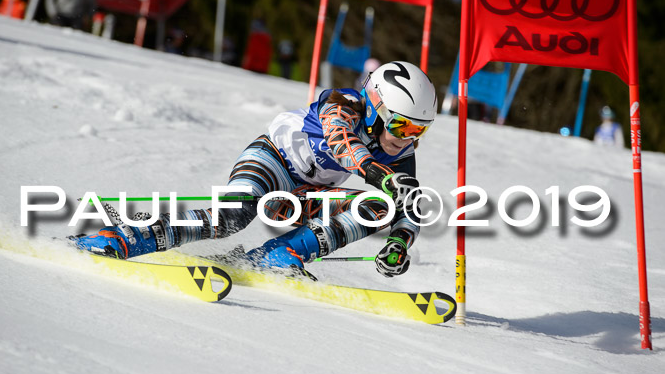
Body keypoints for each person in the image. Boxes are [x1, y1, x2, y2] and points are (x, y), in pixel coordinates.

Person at [72, 61, 437, 278]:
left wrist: (398, 243)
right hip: (272, 161)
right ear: (375, 108)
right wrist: (378, 173)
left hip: (304, 194)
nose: (407, 138)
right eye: (401, 125)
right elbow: (342, 142)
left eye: (420, 130)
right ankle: (120, 238)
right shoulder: (343, 104)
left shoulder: (400, 153)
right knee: (230, 218)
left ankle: (276, 258)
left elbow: (410, 206)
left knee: (380, 207)